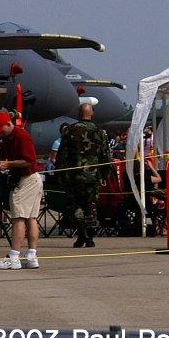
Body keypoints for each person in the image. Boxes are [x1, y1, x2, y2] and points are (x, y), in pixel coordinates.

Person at [54, 103, 111, 249]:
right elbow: (106, 157)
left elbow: (62, 154)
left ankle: (81, 234)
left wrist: (60, 173)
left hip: (74, 176)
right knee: (90, 205)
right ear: (91, 114)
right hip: (92, 176)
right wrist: (104, 174)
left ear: (79, 114)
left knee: (75, 206)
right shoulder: (100, 132)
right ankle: (89, 237)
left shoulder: (70, 130)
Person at [0, 112, 43, 269]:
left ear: (9, 123)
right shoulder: (5, 139)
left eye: (2, 129)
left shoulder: (21, 135)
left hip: (27, 180)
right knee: (31, 218)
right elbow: (2, 158)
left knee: (18, 218)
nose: (0, 132)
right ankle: (32, 256)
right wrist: (1, 164)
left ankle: (14, 258)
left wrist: (9, 164)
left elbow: (29, 160)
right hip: (31, 179)